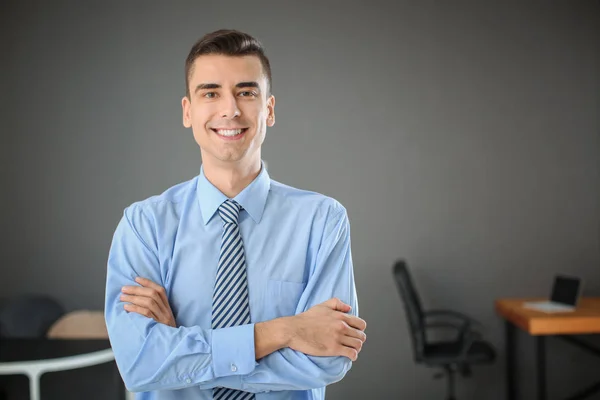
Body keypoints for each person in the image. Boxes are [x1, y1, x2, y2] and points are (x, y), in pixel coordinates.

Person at [104, 29, 366, 400]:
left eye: (246, 92)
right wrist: (283, 331)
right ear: (188, 111)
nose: (230, 109)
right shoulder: (144, 226)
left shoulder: (321, 221)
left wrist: (181, 354)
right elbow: (138, 364)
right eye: (211, 93)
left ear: (269, 109)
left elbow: (327, 362)